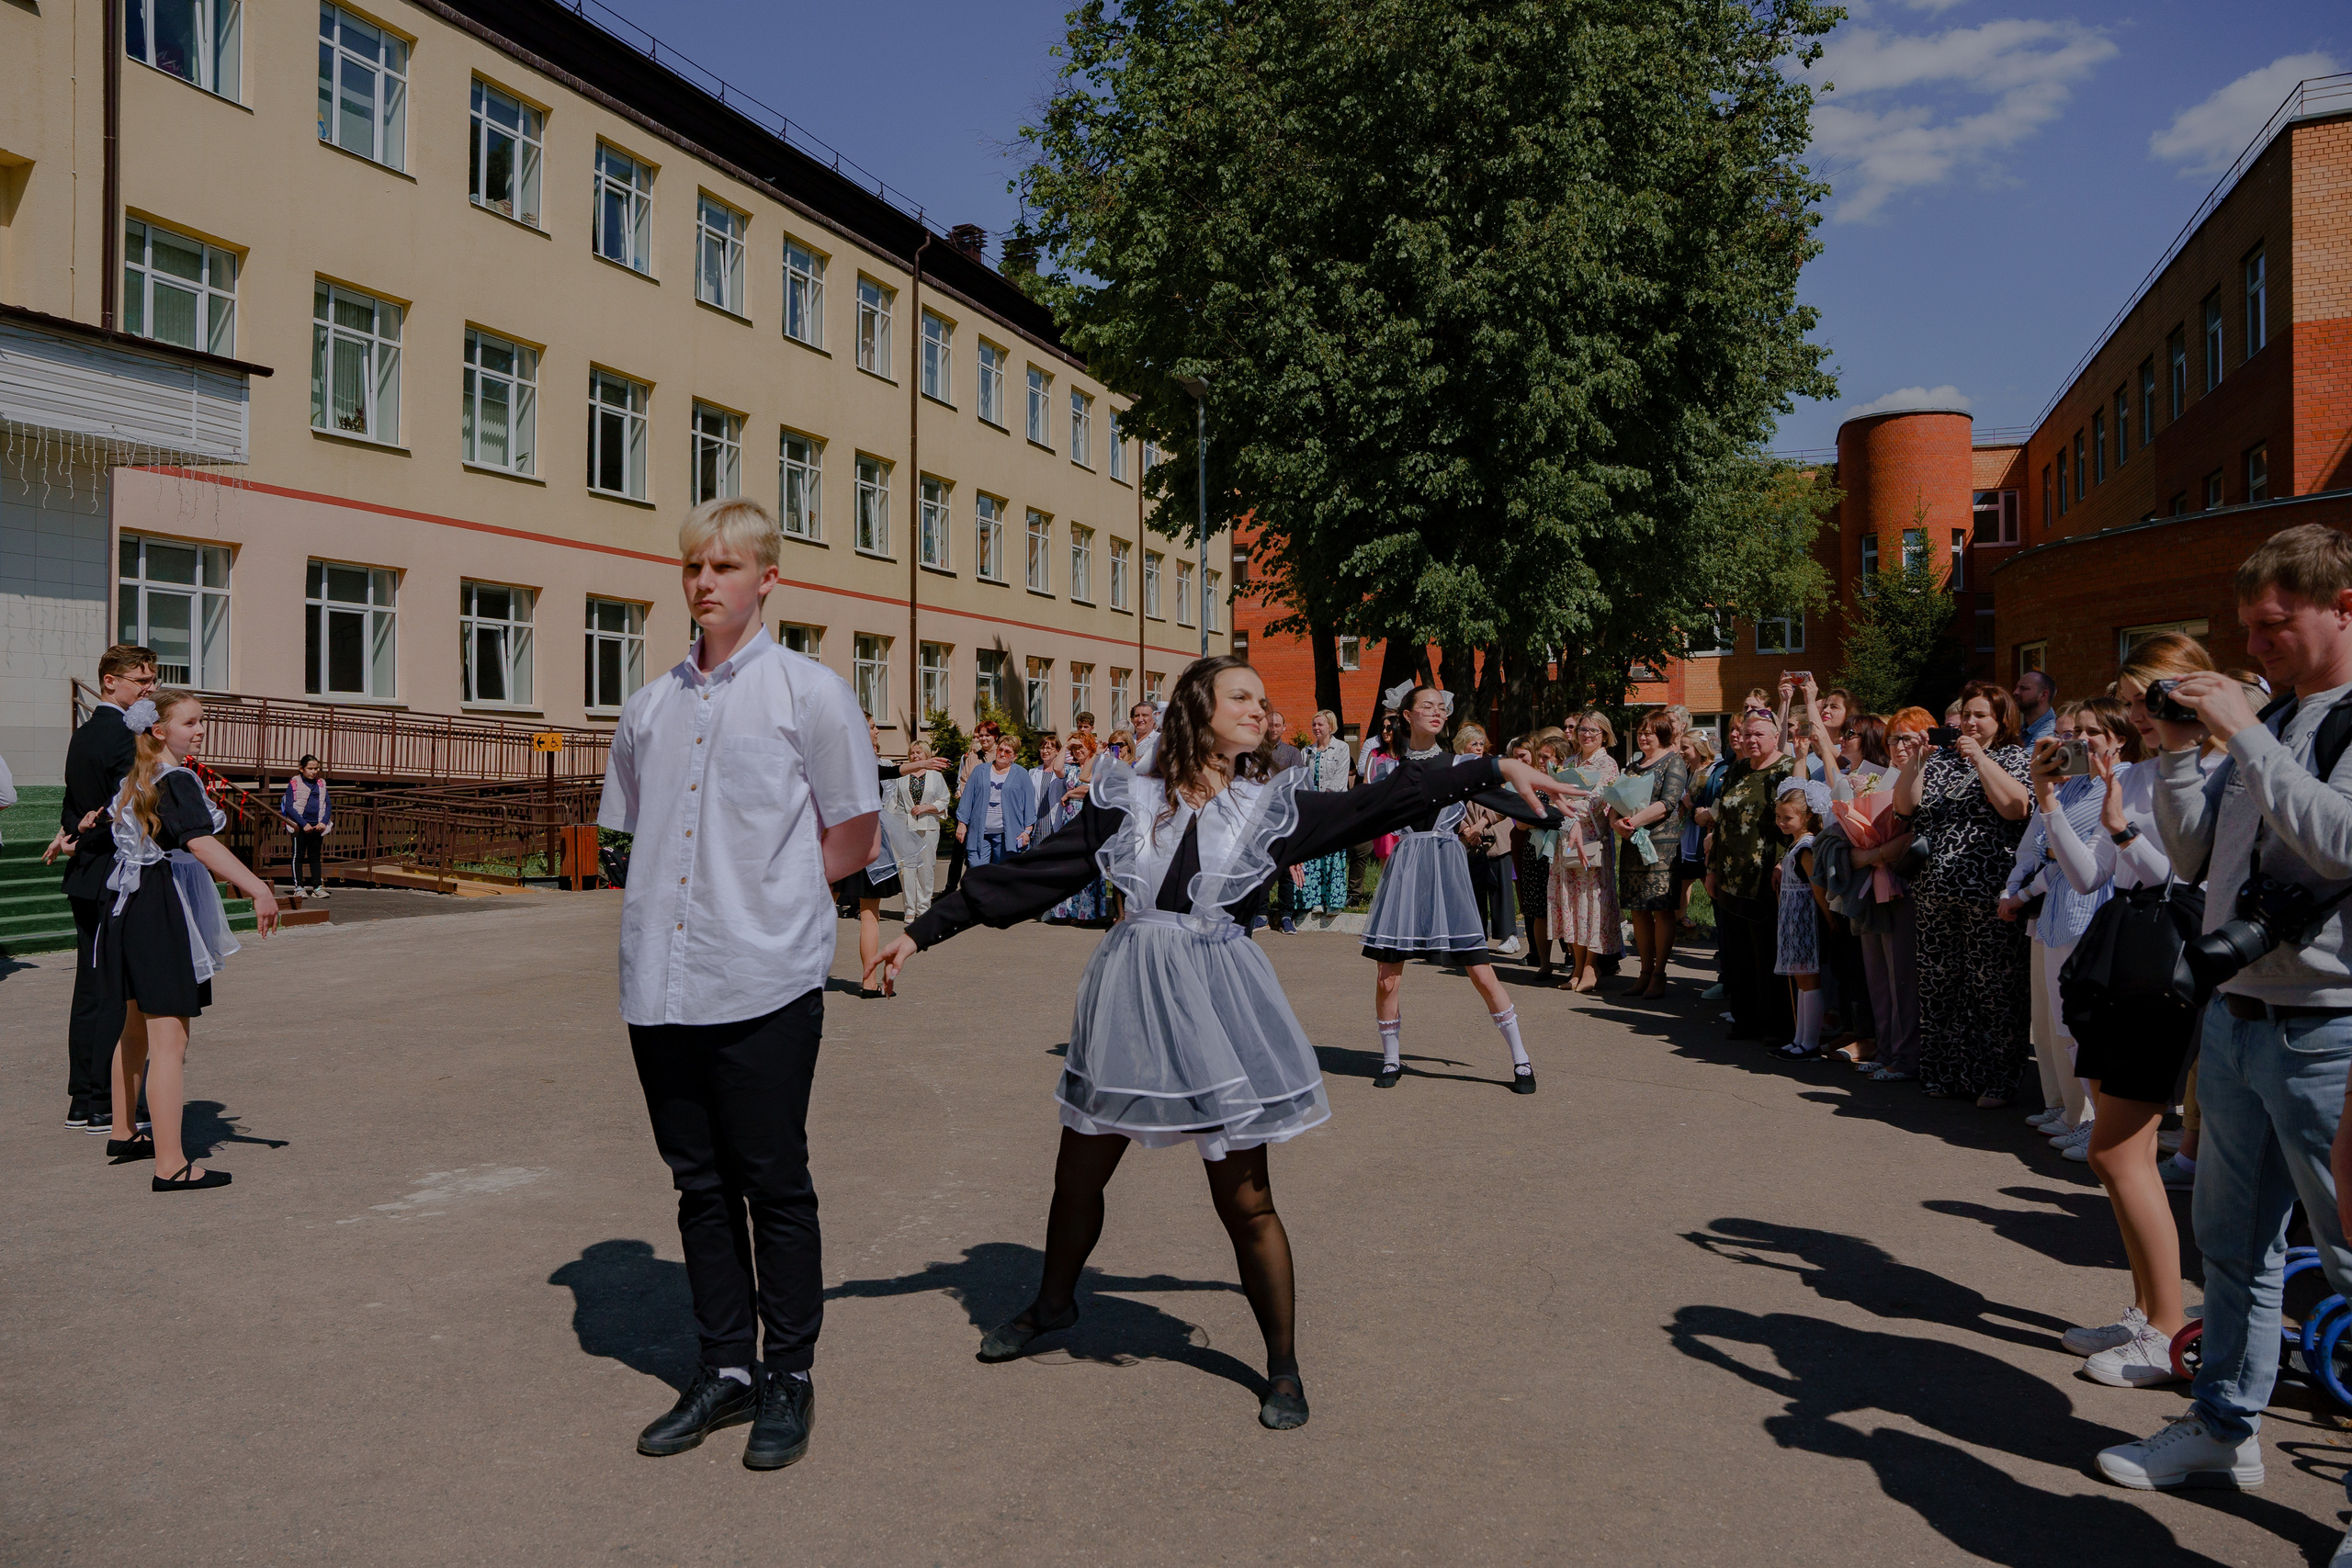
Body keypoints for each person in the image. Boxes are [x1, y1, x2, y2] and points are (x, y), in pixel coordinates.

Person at [865, 656, 1578, 1430]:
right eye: (1243, 696)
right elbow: (1036, 873)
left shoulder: (1269, 808)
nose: (1261, 710)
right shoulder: (1125, 796)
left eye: (1263, 702)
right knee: (1077, 1173)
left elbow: (1388, 798)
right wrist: (923, 932)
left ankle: (1283, 1367)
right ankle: (1053, 1303)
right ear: (1196, 709)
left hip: (1217, 1003)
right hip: (1130, 997)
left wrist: (1492, 765)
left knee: (1244, 1198)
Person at [595, 496, 881, 1471]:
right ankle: (725, 1368)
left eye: (724, 566)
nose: (705, 581)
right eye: (692, 567)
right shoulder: (648, 706)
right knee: (698, 1185)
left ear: (768, 579)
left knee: (772, 1179)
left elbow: (850, 834)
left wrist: (776, 900)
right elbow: (631, 825)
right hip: (660, 979)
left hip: (761, 974)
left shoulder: (810, 693)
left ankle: (789, 1375)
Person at [2098, 527, 2352, 1521]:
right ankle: (2221, 1429)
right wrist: (2174, 749)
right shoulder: (2274, 712)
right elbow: (2197, 855)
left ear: (2342, 607)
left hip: (2332, 1027)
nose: (2257, 644)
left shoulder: (2307, 721)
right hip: (2242, 1015)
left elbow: (2335, 844)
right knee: (2233, 1249)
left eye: (2274, 624)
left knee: (2346, 1261)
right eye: (2248, 626)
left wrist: (2241, 729)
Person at [2032, 669, 2209, 1390]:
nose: (2139, 714)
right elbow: (2086, 876)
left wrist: (2124, 828)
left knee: (2116, 1153)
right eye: (2133, 703)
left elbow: (2187, 878)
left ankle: (2168, 1325)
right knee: (2115, 1152)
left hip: (2165, 961)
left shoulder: (2215, 769)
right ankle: (2147, 1310)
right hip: (2122, 952)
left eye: (2148, 702)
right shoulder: (2131, 773)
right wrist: (2049, 802)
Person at [91, 690, 281, 1189]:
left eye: (202, 722)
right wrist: (258, 887)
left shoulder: (138, 775)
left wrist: (70, 836)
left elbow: (108, 827)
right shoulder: (175, 778)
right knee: (169, 1042)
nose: (200, 730)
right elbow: (198, 842)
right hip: (159, 912)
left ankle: (124, 1130)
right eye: (191, 722)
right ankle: (171, 1165)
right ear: (159, 730)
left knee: (135, 1028)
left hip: (129, 908)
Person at [1361, 682, 1550, 1091]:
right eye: (1425, 706)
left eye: (1440, 706)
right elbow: (1358, 816)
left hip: (1447, 867)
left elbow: (1506, 799)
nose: (1436, 711)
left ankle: (1521, 1059)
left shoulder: (1460, 763)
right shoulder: (1387, 768)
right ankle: (1391, 1059)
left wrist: (1556, 817)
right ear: (1406, 716)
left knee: (1481, 972)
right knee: (1387, 976)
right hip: (1407, 868)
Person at [1895, 680, 2033, 1107]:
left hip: (1988, 893)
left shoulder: (2014, 757)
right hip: (1935, 891)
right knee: (1939, 985)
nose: (1970, 722)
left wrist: (1980, 760)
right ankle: (1943, 1073)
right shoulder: (1940, 762)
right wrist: (1915, 762)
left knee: (1993, 988)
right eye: (1966, 714)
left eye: (1980, 715)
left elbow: (2016, 807)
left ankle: (1996, 1080)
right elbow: (1904, 808)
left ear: (2001, 721)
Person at [47, 642, 159, 1136]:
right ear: (109, 681)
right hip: (112, 878)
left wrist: (74, 834)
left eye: (152, 681)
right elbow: (126, 810)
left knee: (93, 988)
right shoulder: (120, 738)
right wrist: (81, 838)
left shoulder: (87, 732)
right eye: (140, 680)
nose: (149, 689)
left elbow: (74, 807)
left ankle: (85, 1099)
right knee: (109, 992)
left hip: (91, 876)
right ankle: (101, 1102)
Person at [2003, 702, 2120, 1151]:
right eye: (2075, 732)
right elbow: (2040, 845)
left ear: (2119, 737)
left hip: (2090, 912)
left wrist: (2027, 888)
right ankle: (2081, 1115)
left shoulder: (2114, 783)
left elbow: (2080, 861)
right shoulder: (2071, 786)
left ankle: (2096, 1121)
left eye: (2092, 731)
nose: (2080, 741)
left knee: (2087, 1027)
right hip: (2058, 912)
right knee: (2064, 1025)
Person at [1710, 710, 1797, 1043]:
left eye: (1758, 734)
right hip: (1732, 875)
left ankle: (1775, 1025)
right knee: (1739, 954)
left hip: (1767, 877)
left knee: (1768, 955)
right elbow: (1721, 822)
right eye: (1746, 734)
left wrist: (1785, 861)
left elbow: (1798, 824)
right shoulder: (1737, 769)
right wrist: (1712, 869)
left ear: (1776, 736)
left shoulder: (1786, 770)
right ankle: (1745, 1019)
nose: (1750, 740)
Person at [1612, 713, 1689, 998]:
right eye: (1641, 732)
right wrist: (1615, 822)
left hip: (1662, 846)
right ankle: (1643, 972)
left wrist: (1632, 822)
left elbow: (1669, 802)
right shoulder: (1632, 766)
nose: (1644, 737)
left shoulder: (1673, 761)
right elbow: (1616, 800)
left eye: (1650, 733)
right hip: (1633, 844)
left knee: (1660, 907)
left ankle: (1659, 973)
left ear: (1663, 736)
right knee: (1638, 909)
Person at [1547, 711, 1621, 993]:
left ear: (1604, 734)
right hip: (1566, 838)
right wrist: (1562, 809)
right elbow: (1555, 795)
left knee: (1591, 903)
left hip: (1592, 839)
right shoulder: (1568, 762)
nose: (1586, 734)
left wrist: (1568, 808)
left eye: (1593, 730)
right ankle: (1577, 966)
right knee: (1571, 902)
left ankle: (1592, 966)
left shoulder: (1607, 764)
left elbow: (1594, 800)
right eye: (1582, 729)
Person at [1770, 777, 1832, 1057]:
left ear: (1807, 817)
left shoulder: (1807, 847)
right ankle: (1799, 1038)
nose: (1781, 822)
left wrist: (1830, 922)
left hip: (1805, 920)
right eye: (1778, 816)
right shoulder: (1795, 845)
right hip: (1792, 922)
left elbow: (1818, 890)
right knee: (1800, 981)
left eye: (1788, 817)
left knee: (1808, 981)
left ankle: (1809, 1043)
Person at [1453, 724, 1521, 955]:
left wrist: (1480, 825)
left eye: (1482, 743)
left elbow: (1503, 803)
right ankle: (1476, 935)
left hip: (1495, 836)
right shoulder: (1454, 772)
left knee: (1501, 888)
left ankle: (1509, 936)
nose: (1479, 747)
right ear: (1462, 746)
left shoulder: (1492, 769)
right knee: (1474, 890)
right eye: (1474, 743)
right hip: (1468, 841)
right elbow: (1449, 807)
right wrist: (1464, 829)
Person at [887, 738, 952, 920]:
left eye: (919, 752)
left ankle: (923, 907)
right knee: (907, 868)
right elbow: (893, 802)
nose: (915, 756)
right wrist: (889, 826)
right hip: (904, 827)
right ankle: (909, 908)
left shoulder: (936, 776)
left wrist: (926, 808)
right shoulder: (902, 776)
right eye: (912, 753)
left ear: (926, 754)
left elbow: (944, 800)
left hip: (928, 828)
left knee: (926, 868)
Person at [1296, 711, 1352, 916]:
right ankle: (1316, 900)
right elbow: (1303, 780)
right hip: (1313, 810)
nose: (1316, 728)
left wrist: (1324, 802)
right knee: (1314, 854)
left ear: (1331, 726)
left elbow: (1339, 780)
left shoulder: (1341, 748)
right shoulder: (1307, 751)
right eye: (1314, 724)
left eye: (1320, 724)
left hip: (1333, 808)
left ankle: (1335, 901)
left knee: (1334, 853)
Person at [956, 735, 1036, 869]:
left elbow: (1029, 804)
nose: (1002, 754)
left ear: (1014, 756)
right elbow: (967, 799)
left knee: (1003, 875)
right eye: (1000, 749)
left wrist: (1027, 831)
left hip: (1007, 835)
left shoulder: (1021, 774)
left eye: (1007, 751)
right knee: (978, 872)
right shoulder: (980, 771)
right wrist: (962, 824)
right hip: (980, 833)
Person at [279, 754, 333, 897]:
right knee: (298, 856)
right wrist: (303, 824)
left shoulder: (321, 784)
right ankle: (299, 887)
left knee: (315, 856)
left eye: (316, 768)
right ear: (301, 769)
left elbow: (328, 805)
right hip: (300, 826)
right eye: (310, 768)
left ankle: (317, 887)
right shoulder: (294, 784)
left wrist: (323, 822)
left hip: (317, 826)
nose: (313, 772)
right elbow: (290, 807)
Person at [2015, 668, 2058, 745]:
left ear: (2043, 695)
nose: (2015, 692)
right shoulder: (2023, 730)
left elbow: (2028, 757)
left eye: (2024, 688)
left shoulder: (2050, 731)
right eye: (2016, 687)